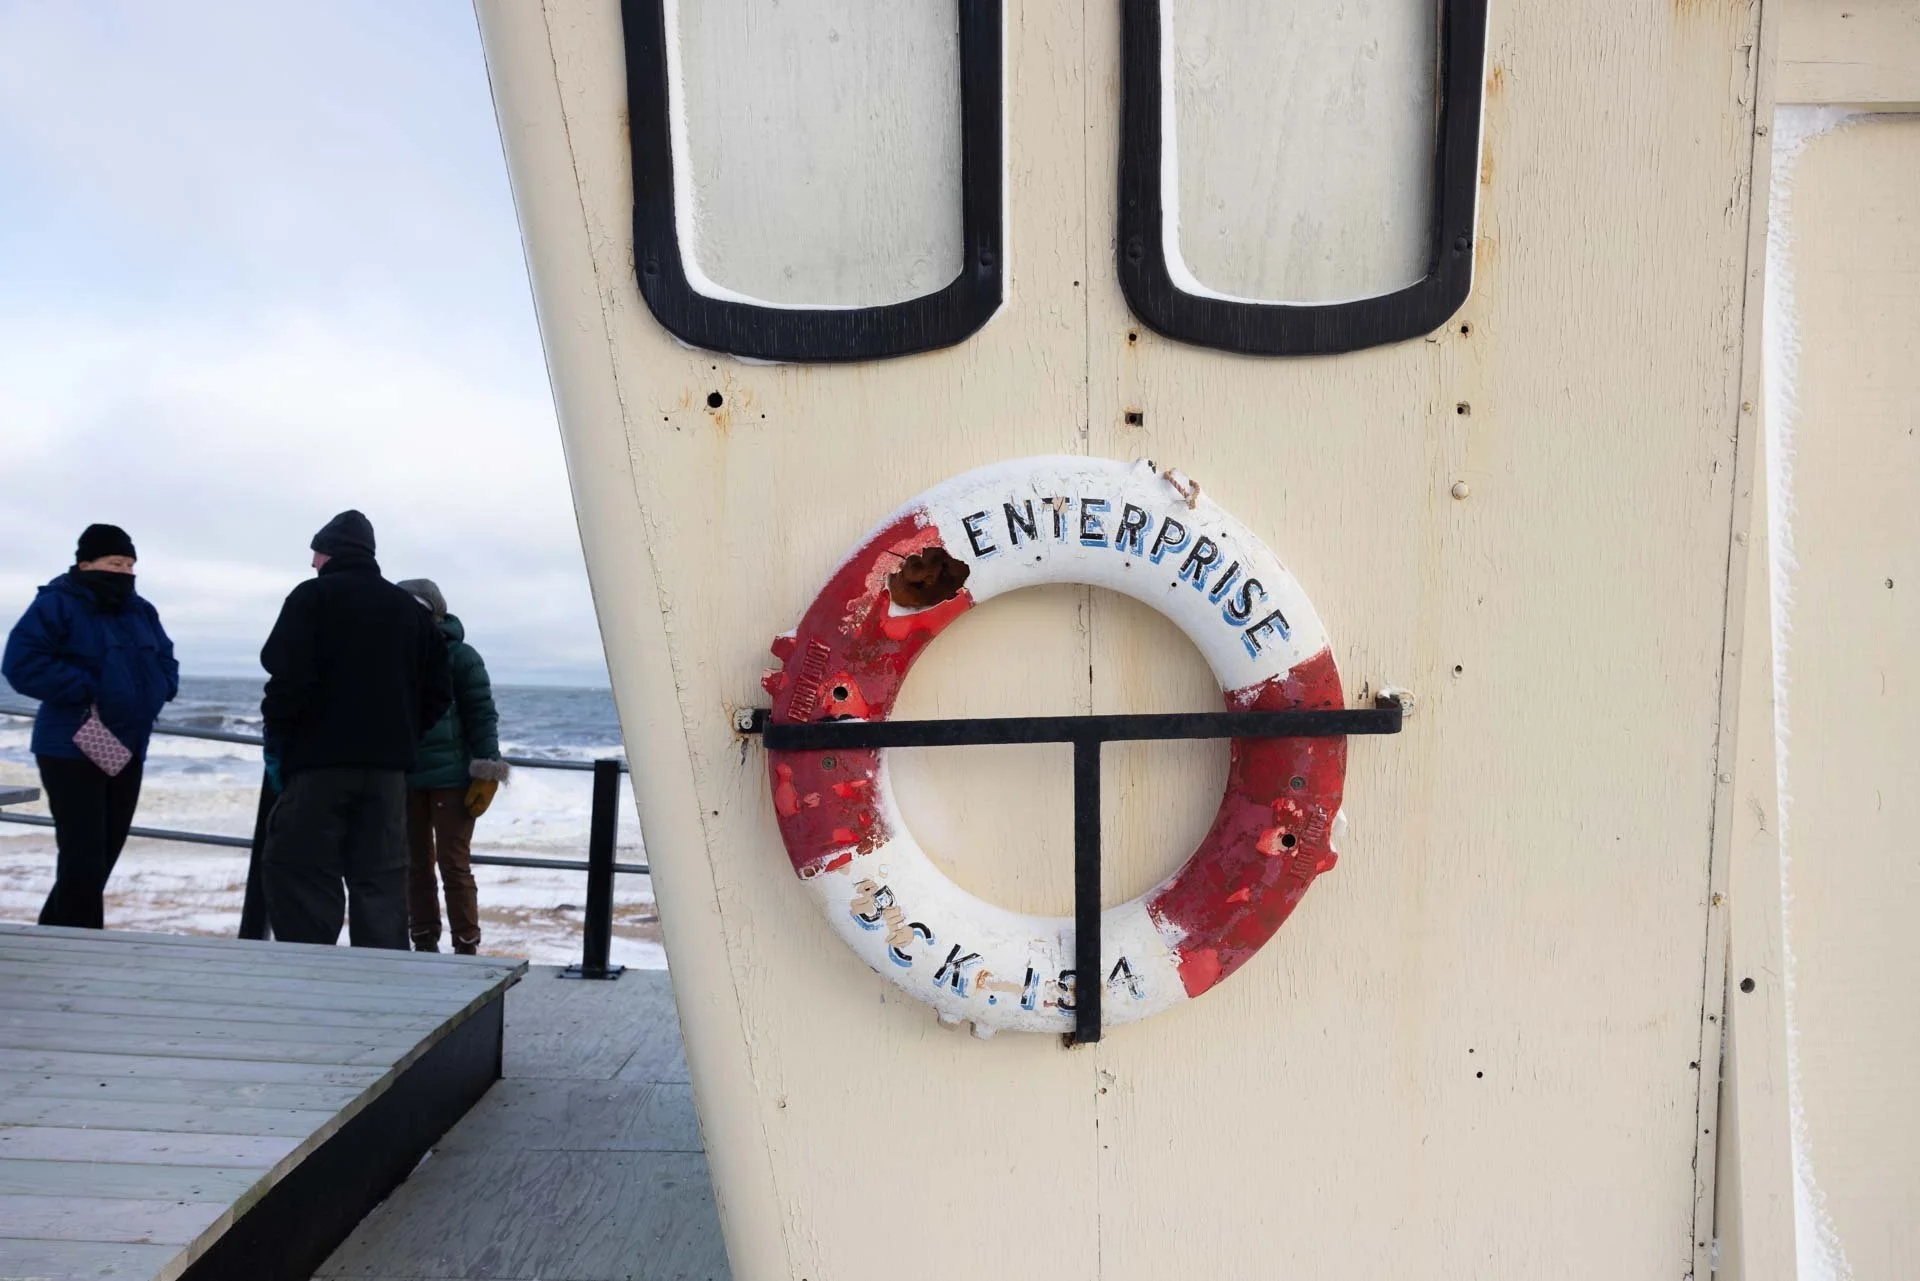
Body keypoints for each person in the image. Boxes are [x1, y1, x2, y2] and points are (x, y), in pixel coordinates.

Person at [259, 511, 451, 949]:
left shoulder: (311, 599)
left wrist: (280, 741)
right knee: (381, 878)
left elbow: (286, 679)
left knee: (301, 868)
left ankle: (312, 976)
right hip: (386, 773)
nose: (311, 563)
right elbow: (440, 690)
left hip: (317, 765)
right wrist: (403, 735)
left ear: (328, 553)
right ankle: (379, 987)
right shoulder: (409, 610)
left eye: (315, 554)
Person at [1, 525, 178, 928]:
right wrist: (87, 688)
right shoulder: (57, 604)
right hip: (70, 745)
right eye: (115, 563)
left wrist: (164, 686)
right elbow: (21, 664)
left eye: (131, 565)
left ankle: (53, 938)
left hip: (128, 744)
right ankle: (86, 946)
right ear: (86, 564)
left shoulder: (141, 610)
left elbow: (166, 657)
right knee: (83, 854)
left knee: (105, 852)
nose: (125, 573)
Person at [395, 579, 508, 954]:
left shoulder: (462, 656)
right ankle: (424, 940)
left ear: (433, 611)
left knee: (453, 864)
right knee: (413, 865)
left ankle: (466, 944)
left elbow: (481, 715)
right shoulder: (393, 654)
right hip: (406, 778)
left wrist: (487, 769)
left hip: (453, 780)